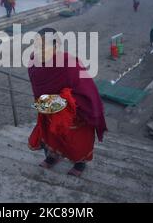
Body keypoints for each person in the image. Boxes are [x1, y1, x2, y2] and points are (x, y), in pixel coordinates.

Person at [28, 28, 107, 177]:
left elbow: (86, 88)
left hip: (71, 111)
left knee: (75, 140)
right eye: (37, 45)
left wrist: (67, 98)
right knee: (50, 136)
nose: (39, 49)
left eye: (44, 45)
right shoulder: (34, 61)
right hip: (48, 107)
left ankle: (79, 163)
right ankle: (52, 157)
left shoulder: (69, 63)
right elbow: (37, 86)